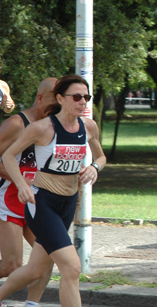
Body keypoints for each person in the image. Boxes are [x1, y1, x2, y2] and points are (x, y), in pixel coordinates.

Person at [0, 75, 106, 307]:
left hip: (67, 204)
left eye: (86, 97)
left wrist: (94, 168)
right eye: (77, 97)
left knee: (37, 268)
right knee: (71, 266)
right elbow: (7, 156)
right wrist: (21, 184)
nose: (83, 102)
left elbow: (101, 155)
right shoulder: (40, 128)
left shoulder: (88, 126)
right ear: (60, 98)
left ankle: (28, 303)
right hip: (41, 203)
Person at [0, 77, 57, 307]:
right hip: (8, 200)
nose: (59, 106)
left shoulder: (54, 126)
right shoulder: (16, 124)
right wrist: (21, 179)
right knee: (12, 266)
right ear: (40, 97)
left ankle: (32, 305)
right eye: (55, 100)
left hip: (36, 204)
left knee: (49, 255)